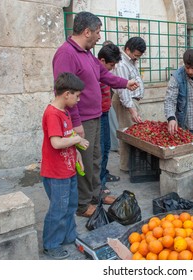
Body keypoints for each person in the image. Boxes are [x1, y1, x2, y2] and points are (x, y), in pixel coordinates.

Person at [52, 11, 139, 218]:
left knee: (95, 158)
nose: (100, 37)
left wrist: (125, 83)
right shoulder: (66, 54)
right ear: (86, 31)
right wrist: (75, 122)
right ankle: (83, 205)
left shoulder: (86, 53)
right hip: (82, 119)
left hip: (96, 115)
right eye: (98, 32)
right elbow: (64, 91)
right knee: (84, 159)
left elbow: (104, 75)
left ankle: (95, 194)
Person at [40, 72, 89, 259]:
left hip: (68, 169)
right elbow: (56, 143)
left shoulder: (65, 112)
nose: (78, 100)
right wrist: (77, 138)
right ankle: (51, 244)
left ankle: (68, 236)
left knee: (70, 205)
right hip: (56, 172)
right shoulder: (53, 114)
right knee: (58, 209)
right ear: (66, 94)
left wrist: (77, 154)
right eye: (77, 96)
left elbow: (66, 138)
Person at [112, 37, 146, 172]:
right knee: (128, 134)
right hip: (126, 102)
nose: (137, 58)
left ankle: (130, 164)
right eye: (136, 55)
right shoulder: (121, 64)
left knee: (132, 133)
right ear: (127, 50)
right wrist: (132, 111)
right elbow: (123, 91)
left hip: (132, 101)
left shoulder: (130, 61)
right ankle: (126, 166)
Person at [97, 43, 122, 194]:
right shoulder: (95, 73)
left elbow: (113, 81)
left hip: (105, 112)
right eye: (111, 65)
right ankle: (99, 184)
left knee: (106, 147)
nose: (112, 68)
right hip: (97, 115)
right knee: (99, 150)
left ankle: (103, 175)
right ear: (102, 60)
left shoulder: (104, 73)